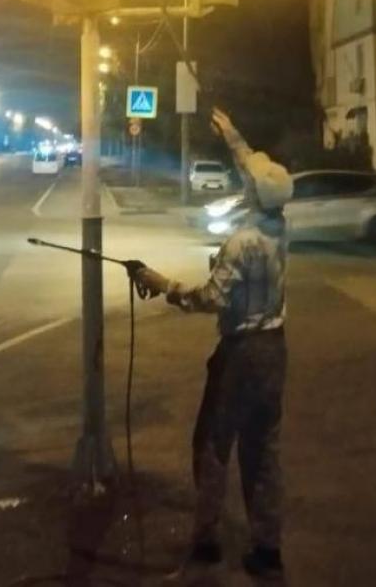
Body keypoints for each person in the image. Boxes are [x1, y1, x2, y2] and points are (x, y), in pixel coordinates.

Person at [137, 108, 293, 580]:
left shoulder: (241, 242)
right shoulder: (280, 226)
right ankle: (267, 548)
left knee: (212, 443)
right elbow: (254, 171)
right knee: (262, 450)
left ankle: (206, 540)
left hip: (241, 353)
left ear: (253, 193)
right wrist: (231, 133)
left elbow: (211, 298)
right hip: (275, 350)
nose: (245, 180)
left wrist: (163, 285)